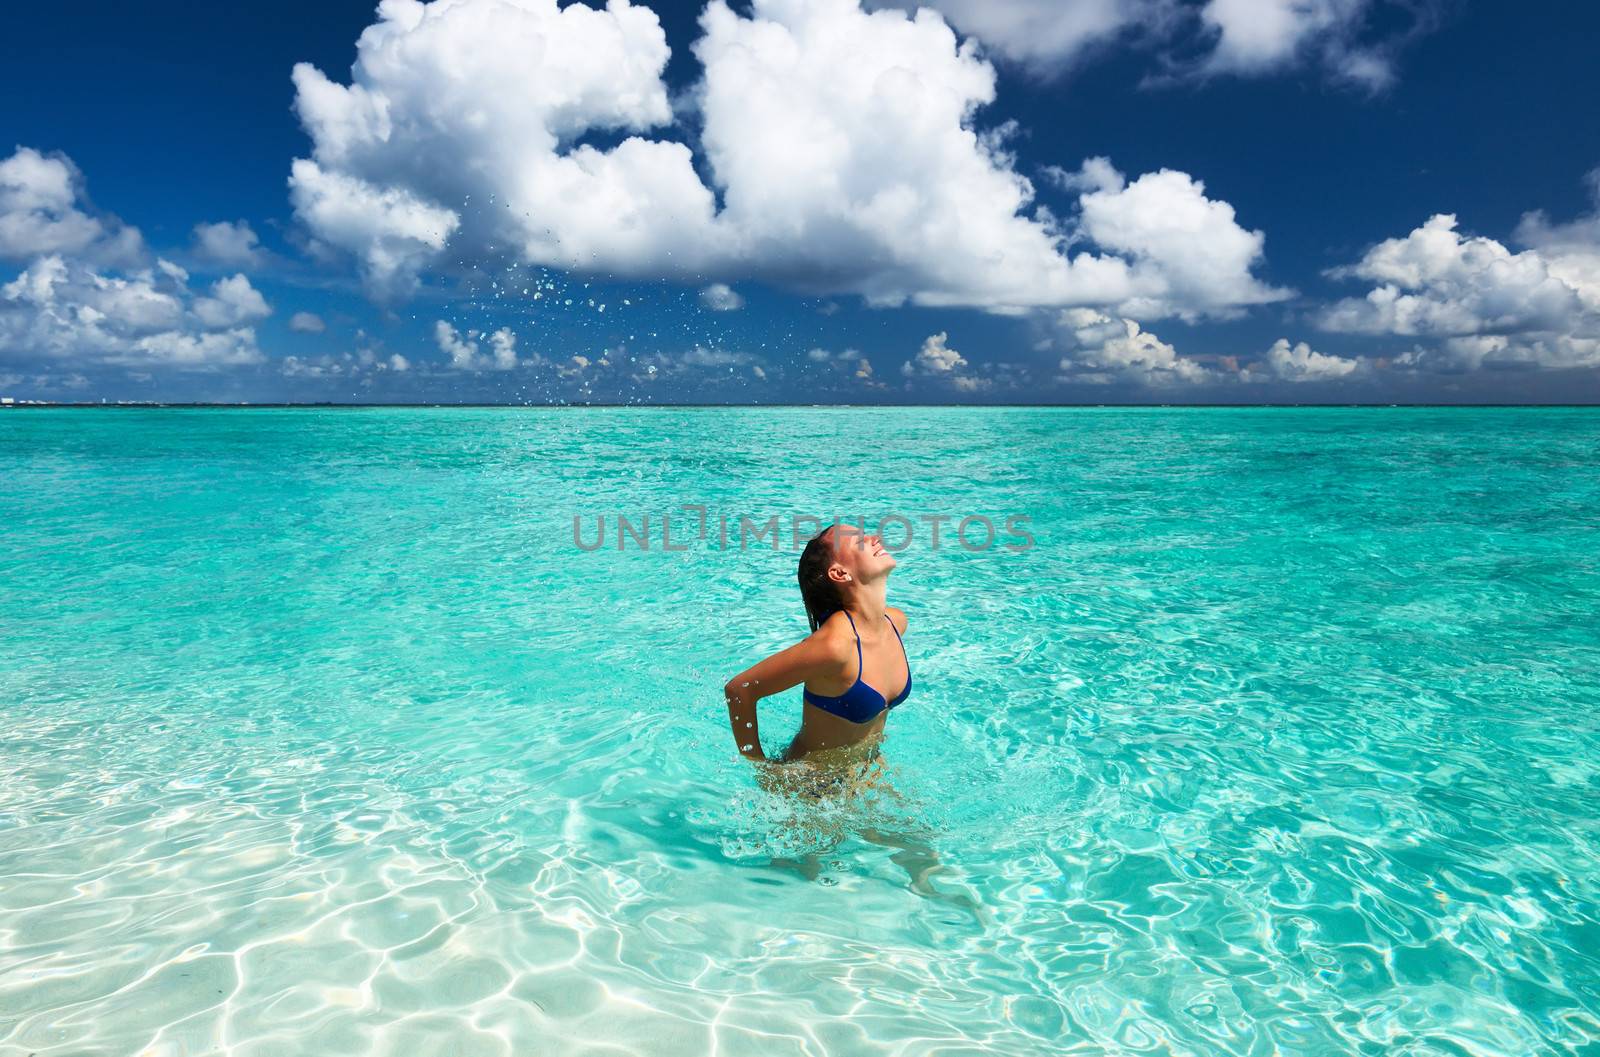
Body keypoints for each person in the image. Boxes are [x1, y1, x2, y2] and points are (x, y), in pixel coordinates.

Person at [723, 523, 911, 795]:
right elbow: (739, 689)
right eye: (858, 541)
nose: (874, 538)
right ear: (839, 573)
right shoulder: (834, 646)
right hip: (812, 788)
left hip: (866, 774)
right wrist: (761, 770)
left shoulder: (896, 623)